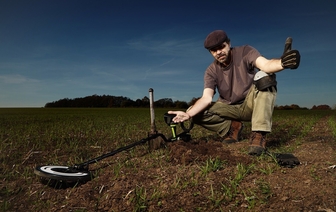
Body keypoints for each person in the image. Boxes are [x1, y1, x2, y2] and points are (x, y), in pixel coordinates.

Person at [168, 30, 300, 156]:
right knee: (194, 111)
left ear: (229, 44)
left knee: (265, 76)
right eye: (214, 50)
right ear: (210, 52)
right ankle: (232, 128)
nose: (219, 52)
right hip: (230, 108)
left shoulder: (245, 51)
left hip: (251, 104)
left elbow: (265, 65)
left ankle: (259, 134)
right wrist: (188, 114)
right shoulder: (210, 71)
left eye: (221, 47)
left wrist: (282, 63)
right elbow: (206, 98)